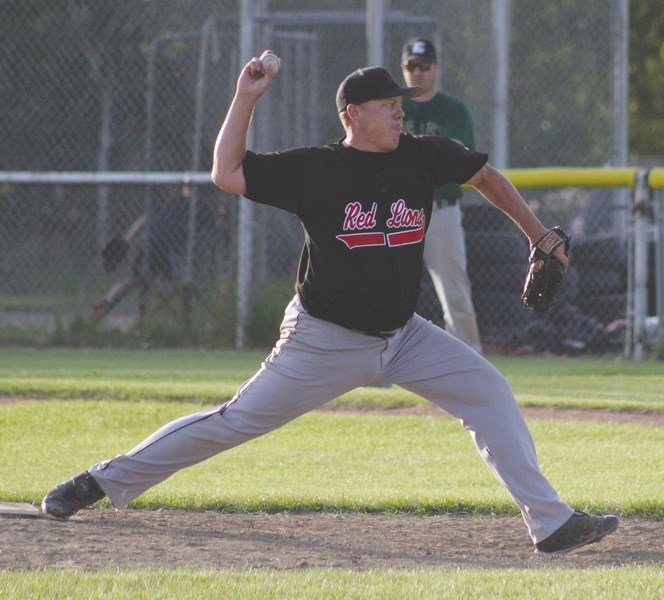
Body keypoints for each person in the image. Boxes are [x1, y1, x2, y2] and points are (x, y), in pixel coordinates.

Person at [42, 53, 619, 555]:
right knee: (233, 422)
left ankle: (551, 524)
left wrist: (538, 236)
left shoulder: (421, 155)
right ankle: (100, 481)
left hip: (406, 336)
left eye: (402, 101)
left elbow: (484, 175)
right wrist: (245, 96)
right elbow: (226, 173)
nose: (400, 110)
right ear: (353, 114)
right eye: (387, 103)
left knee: (489, 392)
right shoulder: (318, 169)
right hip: (324, 339)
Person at [401, 38, 482, 354]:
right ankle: (376, 365)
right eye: (411, 66)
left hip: (441, 211)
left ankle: (471, 362)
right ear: (403, 69)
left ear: (437, 68)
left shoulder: (452, 110)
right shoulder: (392, 107)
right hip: (396, 211)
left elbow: (458, 167)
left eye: (424, 66)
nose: (417, 73)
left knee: (456, 295)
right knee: (383, 292)